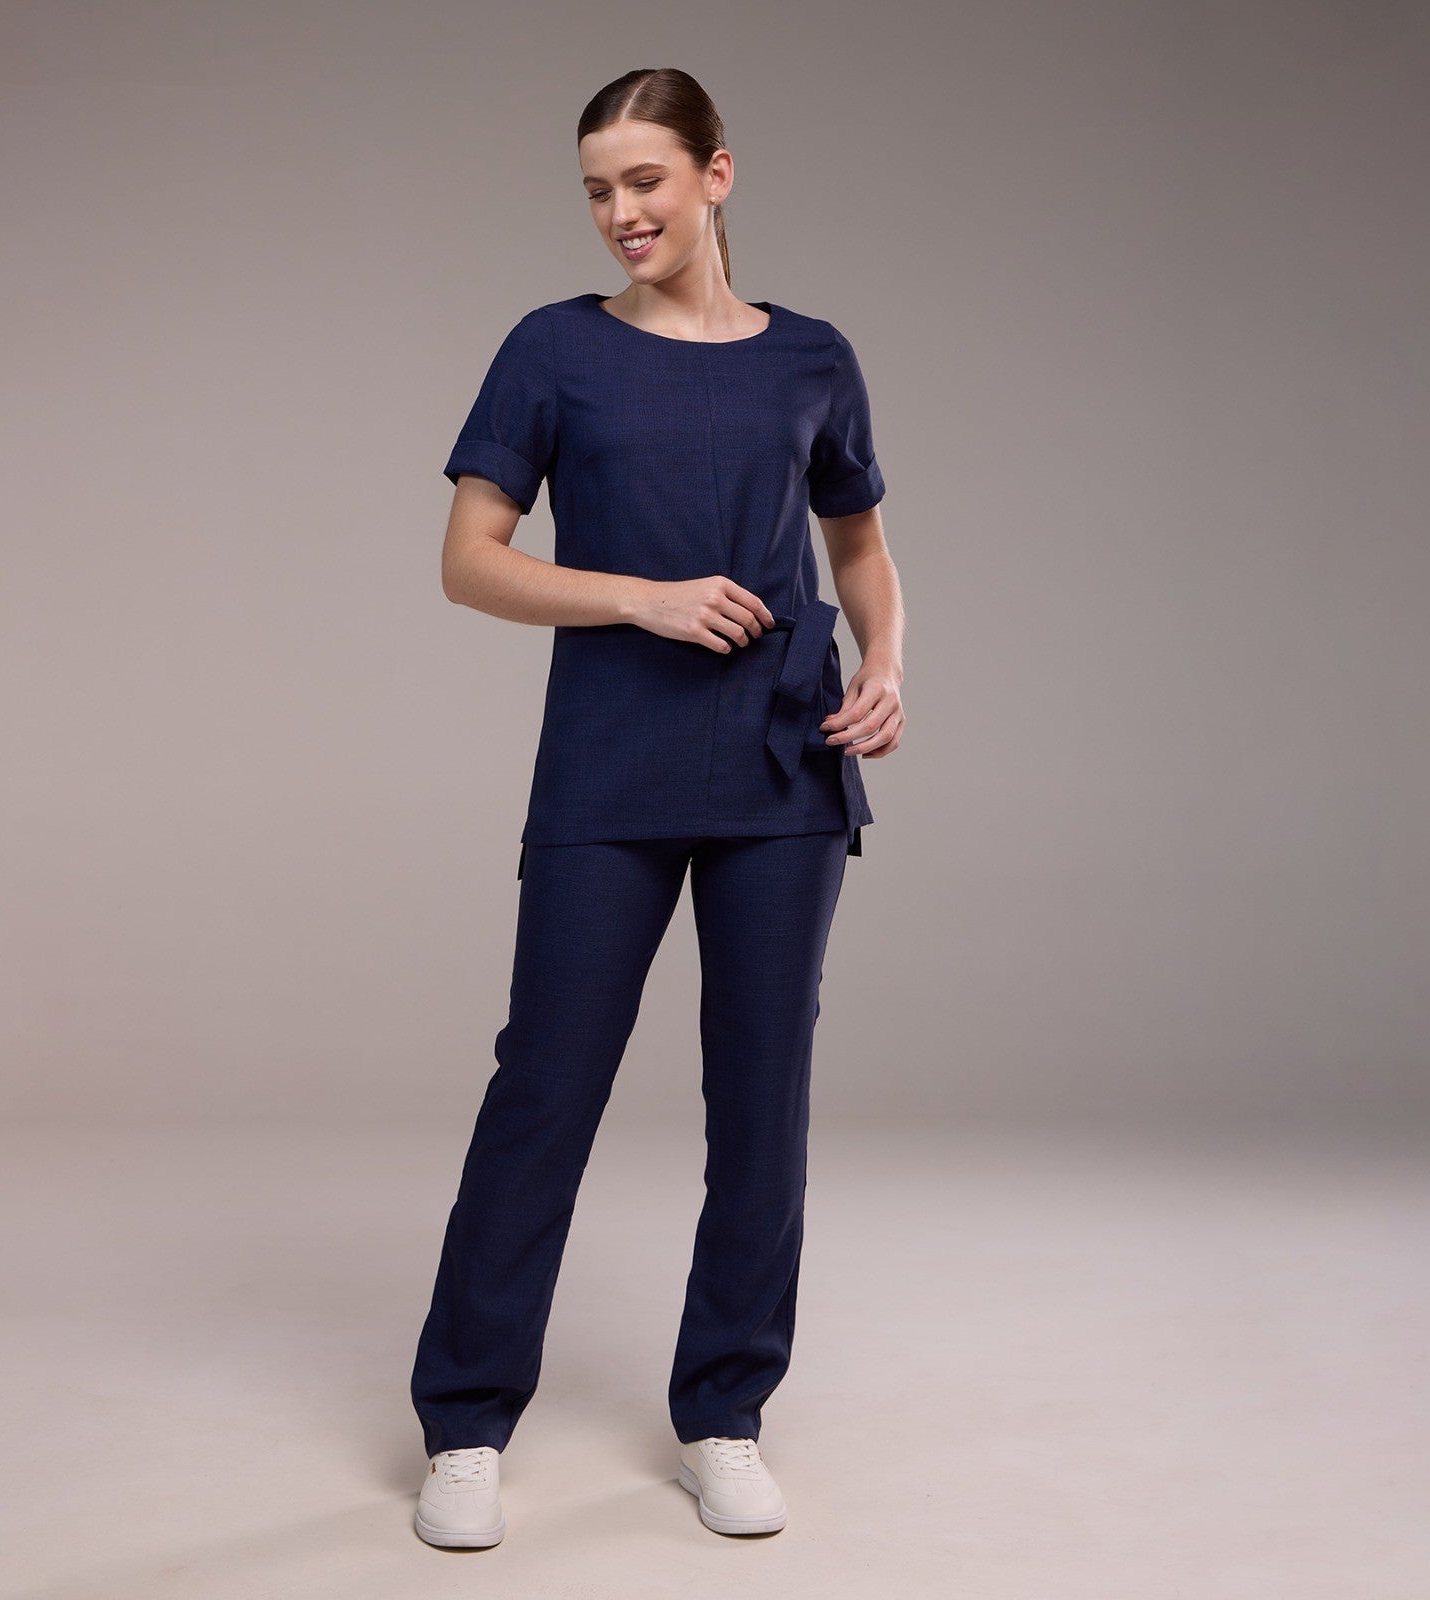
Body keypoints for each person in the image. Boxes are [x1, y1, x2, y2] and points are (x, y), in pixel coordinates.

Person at [411, 66, 906, 1547]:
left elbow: (859, 544)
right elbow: (470, 561)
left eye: (645, 180)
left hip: (783, 763)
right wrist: (640, 595)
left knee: (761, 1099)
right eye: (597, 190)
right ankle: (466, 1424)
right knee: (546, 1084)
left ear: (715, 175)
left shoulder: (811, 355)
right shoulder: (552, 350)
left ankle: (725, 1414)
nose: (621, 212)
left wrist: (888, 666)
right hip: (612, 762)